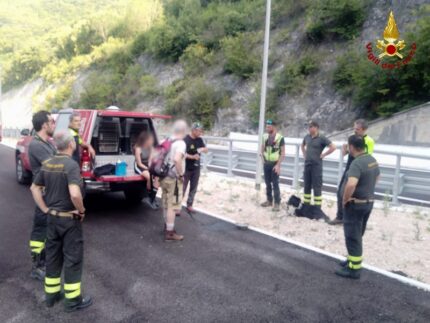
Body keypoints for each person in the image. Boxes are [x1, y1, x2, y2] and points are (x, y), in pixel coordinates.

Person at [30, 130, 92, 311]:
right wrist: (81, 210)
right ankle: (73, 301)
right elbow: (74, 193)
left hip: (52, 219)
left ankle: (52, 296)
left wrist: (45, 209)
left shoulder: (48, 163)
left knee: (53, 256)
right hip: (69, 220)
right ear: (71, 144)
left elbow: (34, 188)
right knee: (73, 258)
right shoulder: (71, 165)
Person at [335, 135, 380, 279]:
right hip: (368, 203)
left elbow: (351, 184)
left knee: (352, 235)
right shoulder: (371, 160)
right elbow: (378, 176)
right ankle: (351, 259)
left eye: (348, 146)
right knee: (358, 233)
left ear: (352, 147)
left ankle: (354, 269)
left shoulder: (356, 163)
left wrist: (346, 199)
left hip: (355, 205)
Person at [28, 110, 57, 281]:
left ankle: (45, 261)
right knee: (40, 231)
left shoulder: (48, 143)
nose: (54, 123)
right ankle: (37, 266)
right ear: (44, 124)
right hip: (44, 195)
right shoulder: (36, 145)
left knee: (49, 230)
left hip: (52, 193)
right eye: (52, 121)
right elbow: (54, 166)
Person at [330, 119, 375, 225]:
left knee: (354, 194)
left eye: (357, 129)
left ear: (364, 129)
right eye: (354, 128)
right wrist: (345, 148)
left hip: (359, 170)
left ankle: (350, 219)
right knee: (341, 192)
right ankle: (340, 216)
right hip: (349, 168)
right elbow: (344, 154)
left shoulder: (369, 141)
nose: (355, 131)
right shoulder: (352, 138)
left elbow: (366, 156)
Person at [159, 120, 188, 241]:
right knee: (173, 205)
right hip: (173, 179)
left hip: (163, 176)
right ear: (183, 131)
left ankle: (167, 226)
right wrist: (181, 174)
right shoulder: (180, 143)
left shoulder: (166, 140)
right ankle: (170, 233)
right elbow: (177, 160)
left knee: (166, 204)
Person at [301, 120, 336, 208]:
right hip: (307, 165)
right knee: (307, 185)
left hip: (316, 166)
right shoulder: (307, 137)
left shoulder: (322, 138)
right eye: (308, 127)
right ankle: (306, 205)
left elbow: (333, 147)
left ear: (316, 128)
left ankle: (317, 207)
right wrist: (305, 154)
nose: (309, 128)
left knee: (317, 186)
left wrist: (324, 154)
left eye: (311, 126)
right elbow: (302, 145)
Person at [260, 119, 285, 212]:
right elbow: (262, 149)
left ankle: (277, 203)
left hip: (275, 164)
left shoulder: (280, 138)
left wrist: (278, 165)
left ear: (274, 127)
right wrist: (263, 161)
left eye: (269, 127)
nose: (267, 128)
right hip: (267, 163)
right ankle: (269, 200)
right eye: (266, 126)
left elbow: (283, 153)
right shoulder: (265, 136)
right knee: (267, 182)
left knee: (275, 183)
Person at [183, 122, 208, 214]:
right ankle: (177, 206)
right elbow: (182, 154)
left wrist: (201, 149)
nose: (200, 132)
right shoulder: (185, 140)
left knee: (193, 188)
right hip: (186, 168)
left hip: (196, 168)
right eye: (199, 131)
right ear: (193, 130)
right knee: (182, 187)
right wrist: (192, 156)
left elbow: (206, 149)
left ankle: (189, 205)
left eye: (201, 131)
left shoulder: (199, 140)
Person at [134, 131, 159, 208]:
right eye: (150, 139)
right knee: (149, 177)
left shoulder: (150, 148)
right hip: (140, 166)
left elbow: (150, 160)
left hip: (147, 165)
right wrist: (147, 168)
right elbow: (139, 163)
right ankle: (149, 196)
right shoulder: (138, 148)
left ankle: (152, 197)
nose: (151, 141)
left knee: (157, 177)